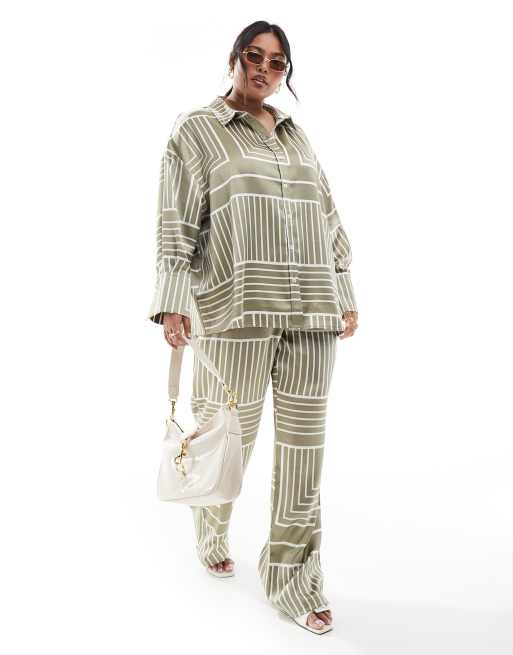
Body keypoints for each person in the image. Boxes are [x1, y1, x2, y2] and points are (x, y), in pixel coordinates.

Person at [147, 20, 359, 634]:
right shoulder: (198, 130)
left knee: (303, 455)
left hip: (312, 313)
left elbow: (327, 214)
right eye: (254, 56)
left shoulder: (296, 135)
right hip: (234, 311)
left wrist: (343, 291)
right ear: (235, 58)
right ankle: (210, 528)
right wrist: (173, 300)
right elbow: (176, 219)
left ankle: (292, 578)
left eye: (277, 62)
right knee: (225, 444)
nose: (265, 69)